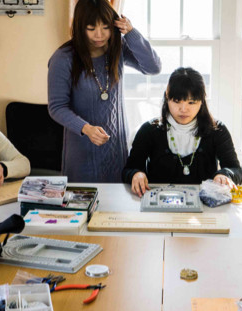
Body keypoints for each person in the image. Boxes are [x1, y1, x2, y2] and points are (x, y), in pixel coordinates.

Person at [48, 0, 161, 182]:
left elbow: (153, 67)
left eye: (105, 27)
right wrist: (86, 128)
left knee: (118, 207)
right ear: (79, 27)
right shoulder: (63, 58)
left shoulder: (118, 48)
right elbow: (57, 107)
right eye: (91, 28)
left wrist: (131, 34)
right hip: (82, 155)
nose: (99, 35)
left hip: (118, 152)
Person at [122, 67, 241, 196]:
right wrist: (136, 174)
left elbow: (236, 169)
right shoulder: (149, 130)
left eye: (191, 102)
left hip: (205, 205)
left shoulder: (217, 130)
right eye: (177, 101)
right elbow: (129, 169)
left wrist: (225, 174)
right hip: (159, 204)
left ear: (202, 101)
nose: (183, 109)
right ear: (167, 96)